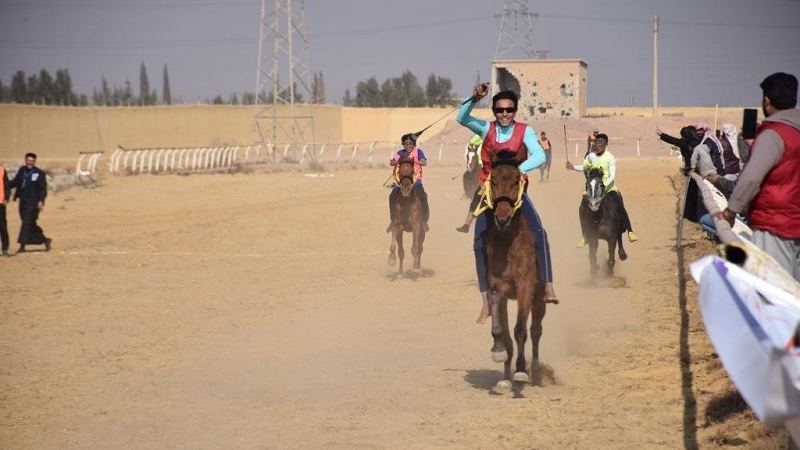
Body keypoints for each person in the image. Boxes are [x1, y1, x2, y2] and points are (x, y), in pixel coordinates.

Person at [456, 82, 558, 324]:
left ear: (515, 110)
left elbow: (540, 155)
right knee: (478, 243)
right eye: (500, 110)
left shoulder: (525, 131)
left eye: (509, 110)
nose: (504, 114)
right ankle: (485, 304)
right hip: (489, 193)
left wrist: (515, 170)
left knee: (539, 234)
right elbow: (461, 117)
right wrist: (474, 98)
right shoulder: (485, 129)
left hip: (514, 191)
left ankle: (548, 285)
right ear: (493, 111)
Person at [716, 72, 800, 281]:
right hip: (795, 225)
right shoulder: (795, 132)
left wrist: (731, 210)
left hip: (776, 225)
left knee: (774, 291)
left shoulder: (773, 134)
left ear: (766, 100)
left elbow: (752, 177)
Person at [566, 133, 638, 247]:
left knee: (619, 205)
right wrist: (573, 167)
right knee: (582, 207)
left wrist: (603, 185)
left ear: (606, 144)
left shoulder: (609, 157)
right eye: (596, 143)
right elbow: (584, 168)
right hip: (593, 189)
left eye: (601, 143)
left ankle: (630, 230)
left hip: (608, 188)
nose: (598, 145)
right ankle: (584, 235)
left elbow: (612, 176)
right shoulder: (591, 156)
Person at [8, 153, 51, 253]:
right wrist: (4, 184)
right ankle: (45, 239)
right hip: (23, 202)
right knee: (29, 223)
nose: (30, 162)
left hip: (34, 202)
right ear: (25, 160)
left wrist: (41, 201)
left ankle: (22, 245)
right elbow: (15, 182)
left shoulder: (39, 173)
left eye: (32, 161)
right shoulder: (22, 170)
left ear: (35, 162)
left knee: (26, 223)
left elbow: (43, 189)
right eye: (28, 160)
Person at [387, 133, 430, 233]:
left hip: (416, 180)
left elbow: (424, 163)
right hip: (400, 181)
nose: (407, 146)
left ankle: (423, 220)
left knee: (423, 196)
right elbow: (392, 162)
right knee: (392, 197)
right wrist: (396, 161)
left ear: (413, 144)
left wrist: (415, 161)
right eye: (405, 144)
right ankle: (393, 219)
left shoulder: (418, 152)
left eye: (410, 144)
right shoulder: (400, 153)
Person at [0, 164, 10, 257]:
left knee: (2, 227)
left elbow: (7, 186)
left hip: (0, 204)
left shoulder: (2, 170)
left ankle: (5, 249)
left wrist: (6, 198)